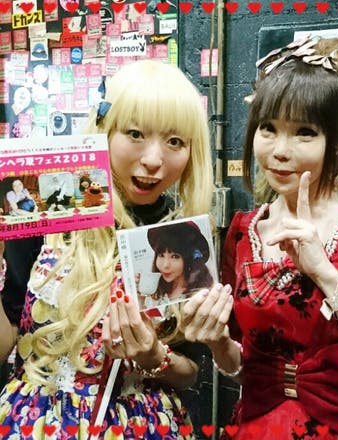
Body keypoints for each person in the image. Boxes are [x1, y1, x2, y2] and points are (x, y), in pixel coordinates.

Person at [181, 34, 338, 439]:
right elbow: (247, 369)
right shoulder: (244, 232)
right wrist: (216, 342)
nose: (279, 150)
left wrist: (328, 276)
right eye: (268, 128)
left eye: (304, 132)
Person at [0, 59, 214, 438]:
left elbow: (192, 373)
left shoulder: (183, 235)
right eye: (135, 133)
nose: (153, 160)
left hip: (143, 424)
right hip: (38, 422)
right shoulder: (47, 213)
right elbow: (8, 336)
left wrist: (154, 356)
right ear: (105, 129)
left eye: (175, 142)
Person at [147, 221, 213, 302]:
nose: (165, 265)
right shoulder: (155, 292)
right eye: (161, 255)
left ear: (188, 259)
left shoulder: (200, 294)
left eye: (175, 257)